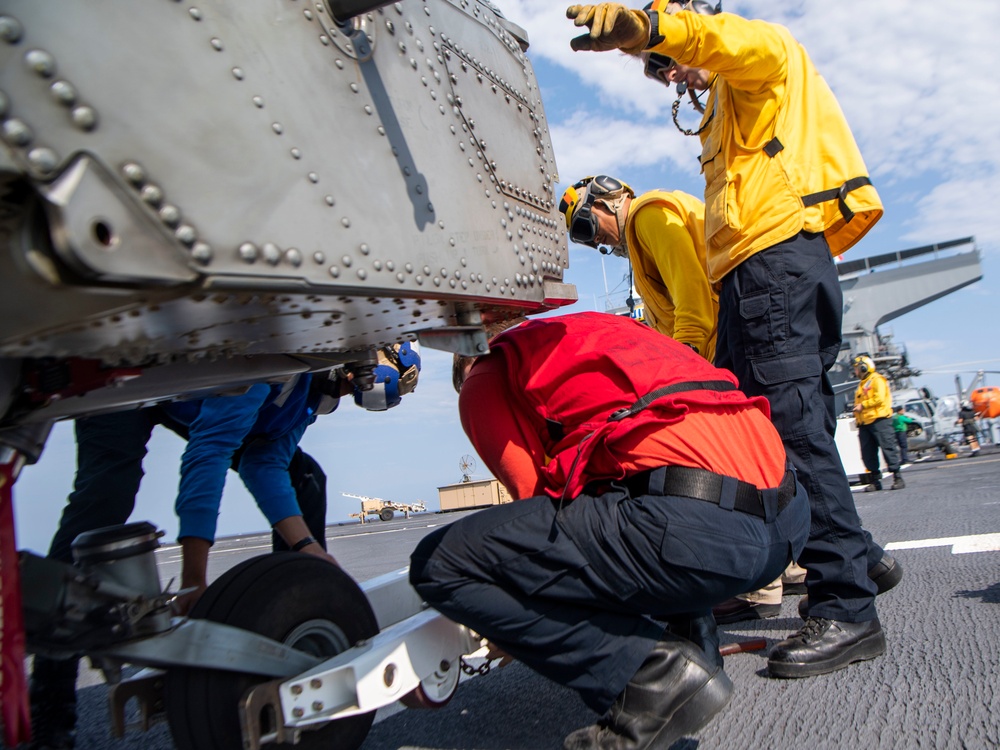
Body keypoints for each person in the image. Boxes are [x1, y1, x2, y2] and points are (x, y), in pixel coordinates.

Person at [565, 0, 900, 677]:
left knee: (795, 433)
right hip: (755, 269)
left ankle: (848, 608)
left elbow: (729, 41)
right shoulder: (726, 104)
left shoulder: (759, 56)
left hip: (774, 259)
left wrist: (652, 31)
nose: (673, 80)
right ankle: (856, 558)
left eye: (672, 67)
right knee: (773, 438)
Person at [411, 312, 810, 749]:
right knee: (628, 492)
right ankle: (695, 645)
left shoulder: (483, 371)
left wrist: (512, 617)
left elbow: (537, 513)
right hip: (787, 522)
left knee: (442, 564)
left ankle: (654, 677)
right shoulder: (602, 334)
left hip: (704, 537)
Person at [559, 175, 717, 359]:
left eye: (585, 227)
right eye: (584, 238)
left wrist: (685, 352)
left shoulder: (647, 216)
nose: (594, 239)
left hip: (717, 344)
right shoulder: (641, 234)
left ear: (602, 202)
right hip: (713, 345)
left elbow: (691, 289)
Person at [853, 355, 905, 491]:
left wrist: (862, 406)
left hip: (880, 420)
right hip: (865, 423)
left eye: (857, 369)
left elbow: (880, 398)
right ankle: (875, 481)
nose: (856, 372)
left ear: (864, 367)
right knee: (867, 453)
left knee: (888, 448)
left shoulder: (877, 380)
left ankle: (898, 477)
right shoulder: (863, 383)